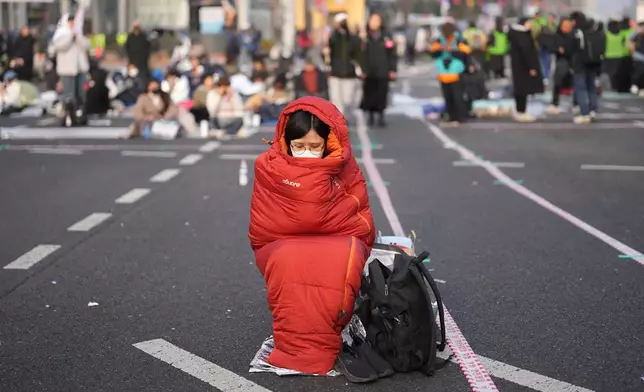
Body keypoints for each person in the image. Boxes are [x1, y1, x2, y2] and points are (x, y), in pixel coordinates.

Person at [248, 96, 375, 381]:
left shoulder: (345, 165)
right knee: (287, 260)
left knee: (340, 259)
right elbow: (263, 226)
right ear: (285, 142)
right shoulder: (268, 167)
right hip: (280, 242)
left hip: (338, 238)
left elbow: (359, 215)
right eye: (299, 146)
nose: (306, 152)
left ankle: (311, 347)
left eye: (315, 147)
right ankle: (305, 349)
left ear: (329, 143)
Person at [429, 22, 471, 125]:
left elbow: (466, 52)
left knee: (458, 97)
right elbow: (432, 52)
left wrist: (452, 50)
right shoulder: (440, 40)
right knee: (448, 97)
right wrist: (441, 48)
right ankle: (450, 116)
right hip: (443, 73)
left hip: (456, 73)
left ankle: (460, 116)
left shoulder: (459, 40)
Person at [360, 13, 397, 127]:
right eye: (373, 20)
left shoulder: (386, 37)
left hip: (383, 70)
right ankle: (370, 116)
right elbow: (359, 54)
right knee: (370, 94)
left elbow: (392, 54)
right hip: (369, 71)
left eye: (377, 20)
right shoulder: (364, 37)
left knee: (382, 94)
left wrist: (392, 69)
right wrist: (362, 69)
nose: (375, 23)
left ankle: (381, 116)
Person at [325, 13, 363, 121]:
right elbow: (326, 54)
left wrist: (362, 69)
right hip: (335, 73)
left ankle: (344, 116)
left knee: (348, 100)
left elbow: (359, 54)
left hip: (349, 73)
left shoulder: (353, 38)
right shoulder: (332, 37)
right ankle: (339, 121)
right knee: (336, 100)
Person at [127, 79, 196, 138]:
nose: (154, 88)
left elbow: (173, 108)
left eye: (156, 86)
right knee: (134, 127)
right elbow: (138, 112)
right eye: (152, 86)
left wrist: (165, 116)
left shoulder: (165, 96)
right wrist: (148, 117)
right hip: (148, 122)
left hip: (164, 120)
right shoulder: (143, 98)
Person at [570, 11, 604, 124]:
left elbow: (573, 48)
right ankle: (592, 111)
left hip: (580, 64)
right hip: (594, 63)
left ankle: (584, 113)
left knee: (580, 88)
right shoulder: (594, 29)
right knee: (591, 88)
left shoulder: (578, 32)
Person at [508, 17, 543, 122]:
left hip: (518, 65)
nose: (531, 25)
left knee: (520, 89)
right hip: (523, 67)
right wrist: (531, 66)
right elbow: (527, 52)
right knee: (523, 89)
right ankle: (521, 111)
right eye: (530, 23)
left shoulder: (515, 34)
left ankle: (520, 111)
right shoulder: (522, 35)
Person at [51, 15, 90, 106]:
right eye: (70, 22)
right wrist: (70, 36)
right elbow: (59, 46)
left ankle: (81, 112)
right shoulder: (61, 34)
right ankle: (69, 113)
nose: (72, 24)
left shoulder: (79, 33)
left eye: (73, 22)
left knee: (82, 93)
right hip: (67, 70)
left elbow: (87, 45)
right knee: (69, 95)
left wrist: (78, 37)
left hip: (81, 69)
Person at [547, 18, 575, 115]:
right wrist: (557, 49)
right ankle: (554, 103)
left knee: (575, 83)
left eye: (568, 26)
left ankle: (577, 104)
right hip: (561, 61)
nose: (566, 28)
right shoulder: (556, 35)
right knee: (557, 82)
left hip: (573, 61)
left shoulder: (574, 35)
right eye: (564, 26)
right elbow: (551, 47)